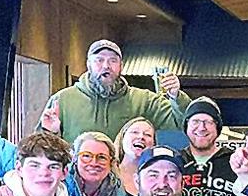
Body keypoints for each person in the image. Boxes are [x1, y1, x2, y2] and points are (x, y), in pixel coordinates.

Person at [40, 39, 193, 145]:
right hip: (75, 184)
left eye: (113, 60)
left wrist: (176, 96)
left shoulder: (144, 100)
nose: (106, 66)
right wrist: (51, 133)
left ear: (121, 66)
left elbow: (184, 125)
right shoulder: (63, 100)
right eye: (99, 60)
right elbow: (41, 149)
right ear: (88, 64)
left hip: (126, 184)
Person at [175, 96, 248, 196]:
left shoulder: (235, 162)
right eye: (195, 121)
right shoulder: (174, 162)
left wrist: (247, 175)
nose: (202, 127)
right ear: (186, 126)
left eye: (208, 122)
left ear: (217, 128)